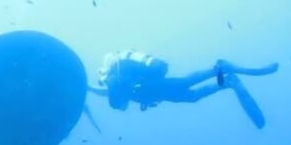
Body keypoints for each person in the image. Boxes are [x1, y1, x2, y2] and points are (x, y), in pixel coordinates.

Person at [89, 50, 279, 128]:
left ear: (119, 99)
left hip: (158, 87)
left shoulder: (119, 86)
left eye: (122, 106)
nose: (124, 108)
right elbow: (100, 91)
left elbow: (103, 91)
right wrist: (88, 89)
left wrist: (87, 88)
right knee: (193, 96)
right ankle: (227, 82)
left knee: (187, 82)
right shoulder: (120, 89)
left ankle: (220, 68)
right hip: (160, 93)